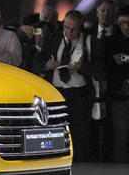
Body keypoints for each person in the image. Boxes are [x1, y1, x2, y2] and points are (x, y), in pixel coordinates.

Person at [34, 9, 103, 162]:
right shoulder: (54, 39)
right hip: (57, 92)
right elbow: (36, 63)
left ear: (80, 27)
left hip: (80, 93)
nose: (70, 32)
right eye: (67, 27)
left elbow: (100, 69)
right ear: (63, 25)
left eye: (74, 29)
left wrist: (82, 67)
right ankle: (58, 160)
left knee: (80, 133)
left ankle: (81, 163)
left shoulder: (90, 42)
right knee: (57, 130)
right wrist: (46, 64)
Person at [104, 12, 129, 163]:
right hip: (118, 89)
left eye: (128, 22)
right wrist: (113, 60)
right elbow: (103, 64)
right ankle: (121, 167)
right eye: (122, 23)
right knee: (121, 132)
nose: (126, 26)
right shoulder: (111, 41)